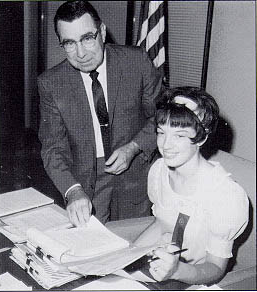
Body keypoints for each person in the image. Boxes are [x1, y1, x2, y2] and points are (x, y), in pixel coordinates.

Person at [38, 0, 162, 225]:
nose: (81, 53)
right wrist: (72, 190)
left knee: (135, 246)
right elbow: (53, 148)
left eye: (87, 38)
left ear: (102, 32)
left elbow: (162, 116)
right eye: (69, 43)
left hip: (137, 178)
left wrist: (134, 147)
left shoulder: (136, 62)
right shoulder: (51, 83)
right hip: (85, 183)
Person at [134, 87, 249, 285]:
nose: (166, 145)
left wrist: (177, 270)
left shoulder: (226, 195)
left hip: (195, 281)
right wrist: (127, 258)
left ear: (202, 137)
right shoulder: (159, 171)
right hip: (157, 273)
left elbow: (215, 269)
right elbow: (161, 223)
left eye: (179, 135)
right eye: (162, 132)